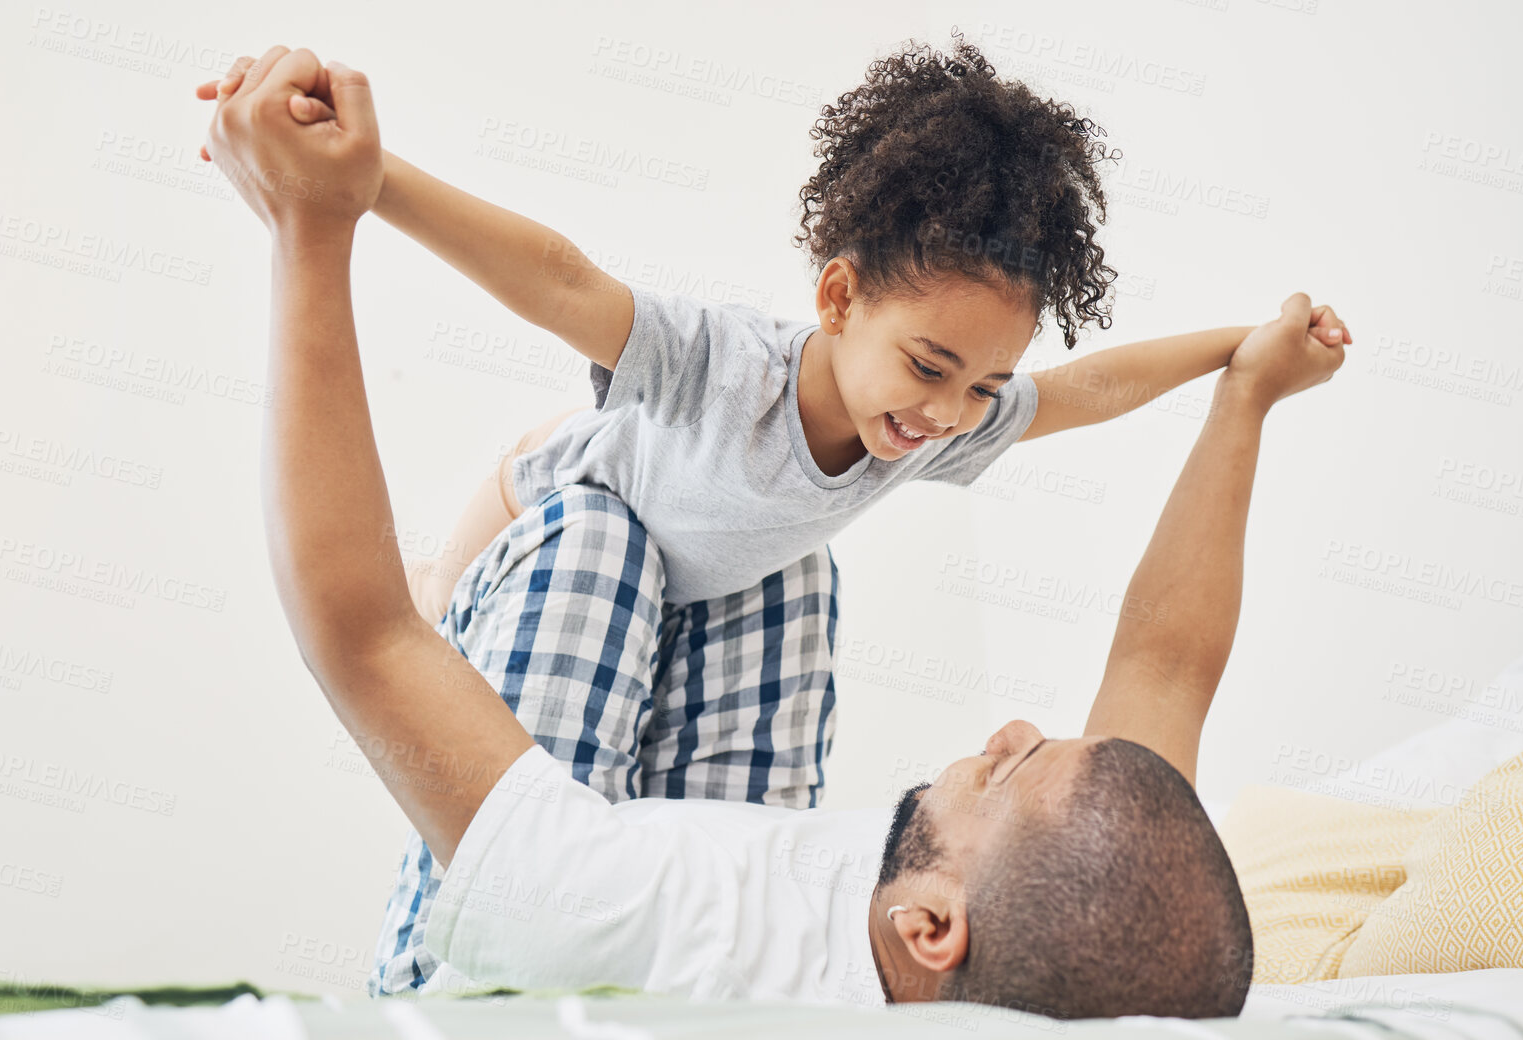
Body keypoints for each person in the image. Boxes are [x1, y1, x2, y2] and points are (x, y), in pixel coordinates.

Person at [205, 46, 1348, 1019]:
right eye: (934, 367)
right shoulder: (1087, 942)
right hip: (639, 524)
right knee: (790, 579)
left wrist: (328, 211)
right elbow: (1164, 655)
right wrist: (1243, 380)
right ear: (840, 297)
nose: (1010, 729)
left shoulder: (626, 915)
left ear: (932, 923)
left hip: (503, 885)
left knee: (612, 546)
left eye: (1015, 770)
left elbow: (366, 633)